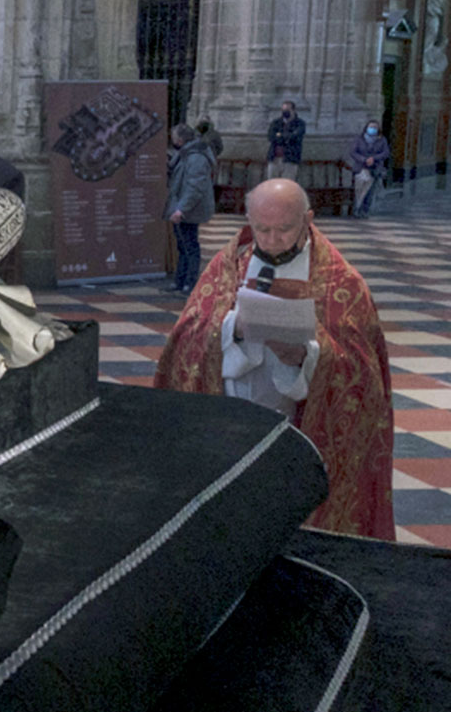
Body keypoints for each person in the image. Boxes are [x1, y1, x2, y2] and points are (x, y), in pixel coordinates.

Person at [156, 178, 393, 540]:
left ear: (308, 219)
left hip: (297, 428)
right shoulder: (229, 265)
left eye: (284, 229)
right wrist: (234, 329)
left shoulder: (341, 282)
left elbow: (362, 374)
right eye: (261, 228)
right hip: (232, 419)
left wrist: (306, 357)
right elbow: (189, 336)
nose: (271, 239)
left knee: (285, 526)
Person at [166, 123, 216, 295]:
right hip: (181, 205)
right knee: (182, 245)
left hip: (189, 208)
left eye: (173, 137)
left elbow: (194, 186)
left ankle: (190, 282)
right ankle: (180, 281)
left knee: (190, 246)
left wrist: (181, 209)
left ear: (180, 140)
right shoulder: (185, 153)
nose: (172, 140)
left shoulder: (196, 157)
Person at [348, 120, 391, 216]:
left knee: (370, 191)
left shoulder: (382, 140)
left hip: (374, 169)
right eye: (371, 127)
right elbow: (353, 152)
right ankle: (356, 209)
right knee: (359, 189)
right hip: (361, 168)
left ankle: (365, 210)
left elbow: (385, 153)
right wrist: (364, 159)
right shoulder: (359, 139)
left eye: (375, 127)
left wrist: (374, 158)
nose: (372, 129)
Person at [266, 100, 304, 182]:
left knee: (287, 185)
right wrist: (286, 135)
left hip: (290, 160)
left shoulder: (300, 124)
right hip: (274, 159)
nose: (284, 112)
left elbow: (295, 137)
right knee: (272, 184)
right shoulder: (276, 122)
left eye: (287, 110)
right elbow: (271, 136)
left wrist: (280, 135)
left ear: (293, 110)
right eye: (283, 110)